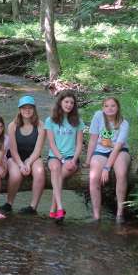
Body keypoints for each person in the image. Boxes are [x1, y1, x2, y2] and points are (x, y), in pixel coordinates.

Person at [85, 97, 130, 222]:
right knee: (94, 177)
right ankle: (96, 215)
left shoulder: (124, 123)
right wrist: (88, 160)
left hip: (119, 151)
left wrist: (106, 168)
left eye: (113, 106)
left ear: (118, 108)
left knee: (121, 173)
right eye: (106, 106)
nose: (109, 108)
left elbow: (117, 148)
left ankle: (120, 213)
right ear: (102, 108)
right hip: (101, 151)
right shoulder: (98, 116)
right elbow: (93, 139)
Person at [45, 90, 84, 221]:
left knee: (59, 177)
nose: (69, 105)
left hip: (71, 158)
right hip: (55, 156)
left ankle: (53, 209)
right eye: (66, 102)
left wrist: (73, 160)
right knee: (55, 169)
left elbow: (79, 144)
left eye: (72, 103)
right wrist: (61, 159)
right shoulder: (50, 121)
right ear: (60, 102)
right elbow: (51, 143)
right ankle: (59, 208)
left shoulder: (78, 121)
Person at [3, 96, 46, 214]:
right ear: (20, 109)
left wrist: (28, 162)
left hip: (33, 156)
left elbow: (38, 150)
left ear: (34, 109)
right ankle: (9, 203)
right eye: (24, 108)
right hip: (15, 156)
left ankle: (33, 207)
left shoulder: (41, 126)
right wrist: (21, 165)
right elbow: (13, 150)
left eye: (30, 108)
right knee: (16, 175)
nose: (27, 110)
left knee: (40, 172)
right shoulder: (12, 125)